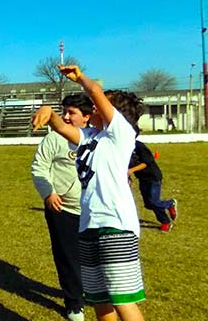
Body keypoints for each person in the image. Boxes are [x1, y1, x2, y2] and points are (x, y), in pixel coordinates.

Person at [31, 65, 146, 321]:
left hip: (116, 226)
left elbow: (94, 91)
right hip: (89, 225)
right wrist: (49, 113)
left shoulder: (121, 134)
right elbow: (61, 128)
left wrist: (80, 77)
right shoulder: (90, 136)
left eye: (103, 105)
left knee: (122, 301)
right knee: (100, 301)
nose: (95, 108)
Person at [31, 93, 94, 321]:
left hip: (93, 210)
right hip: (62, 209)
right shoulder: (53, 139)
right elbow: (39, 168)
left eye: (72, 113)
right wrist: (49, 192)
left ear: (87, 117)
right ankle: (74, 303)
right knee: (68, 258)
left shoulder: (97, 138)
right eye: (64, 112)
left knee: (93, 257)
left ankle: (93, 292)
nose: (66, 117)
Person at [128, 139, 177, 232]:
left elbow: (146, 163)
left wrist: (132, 170)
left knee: (154, 202)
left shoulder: (139, 146)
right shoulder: (123, 147)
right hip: (142, 178)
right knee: (149, 204)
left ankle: (166, 220)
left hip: (153, 177)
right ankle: (168, 207)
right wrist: (129, 176)